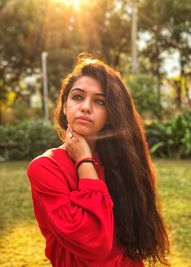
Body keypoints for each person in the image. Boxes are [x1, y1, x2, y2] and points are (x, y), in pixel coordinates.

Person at [27, 54, 169, 267]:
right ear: (64, 106)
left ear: (110, 115)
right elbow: (94, 242)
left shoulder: (119, 164)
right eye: (77, 97)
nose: (85, 107)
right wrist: (84, 159)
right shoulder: (45, 168)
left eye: (99, 101)